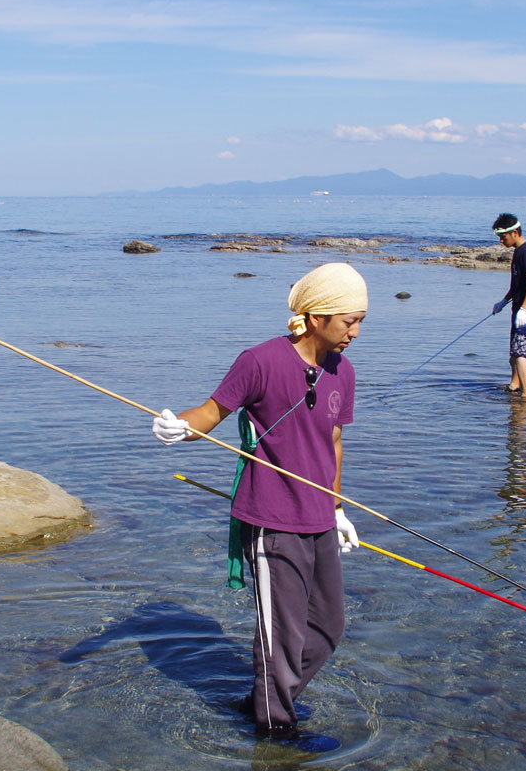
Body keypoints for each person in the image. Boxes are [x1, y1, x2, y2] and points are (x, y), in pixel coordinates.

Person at [150, 261, 367, 738]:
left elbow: (332, 441)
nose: (356, 332)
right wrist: (178, 429)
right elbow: (211, 412)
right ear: (316, 318)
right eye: (350, 321)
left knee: (328, 629)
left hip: (318, 517)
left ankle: (262, 701)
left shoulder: (343, 371)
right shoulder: (261, 361)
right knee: (281, 638)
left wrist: (337, 507)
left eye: (360, 321)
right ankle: (276, 732)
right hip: (271, 518)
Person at [489, 213, 526, 398]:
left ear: (515, 232)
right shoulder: (518, 252)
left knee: (520, 352)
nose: (501, 241)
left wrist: (525, 309)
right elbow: (517, 285)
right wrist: (503, 301)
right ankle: (514, 385)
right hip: (518, 308)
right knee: (513, 351)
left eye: (503, 237)